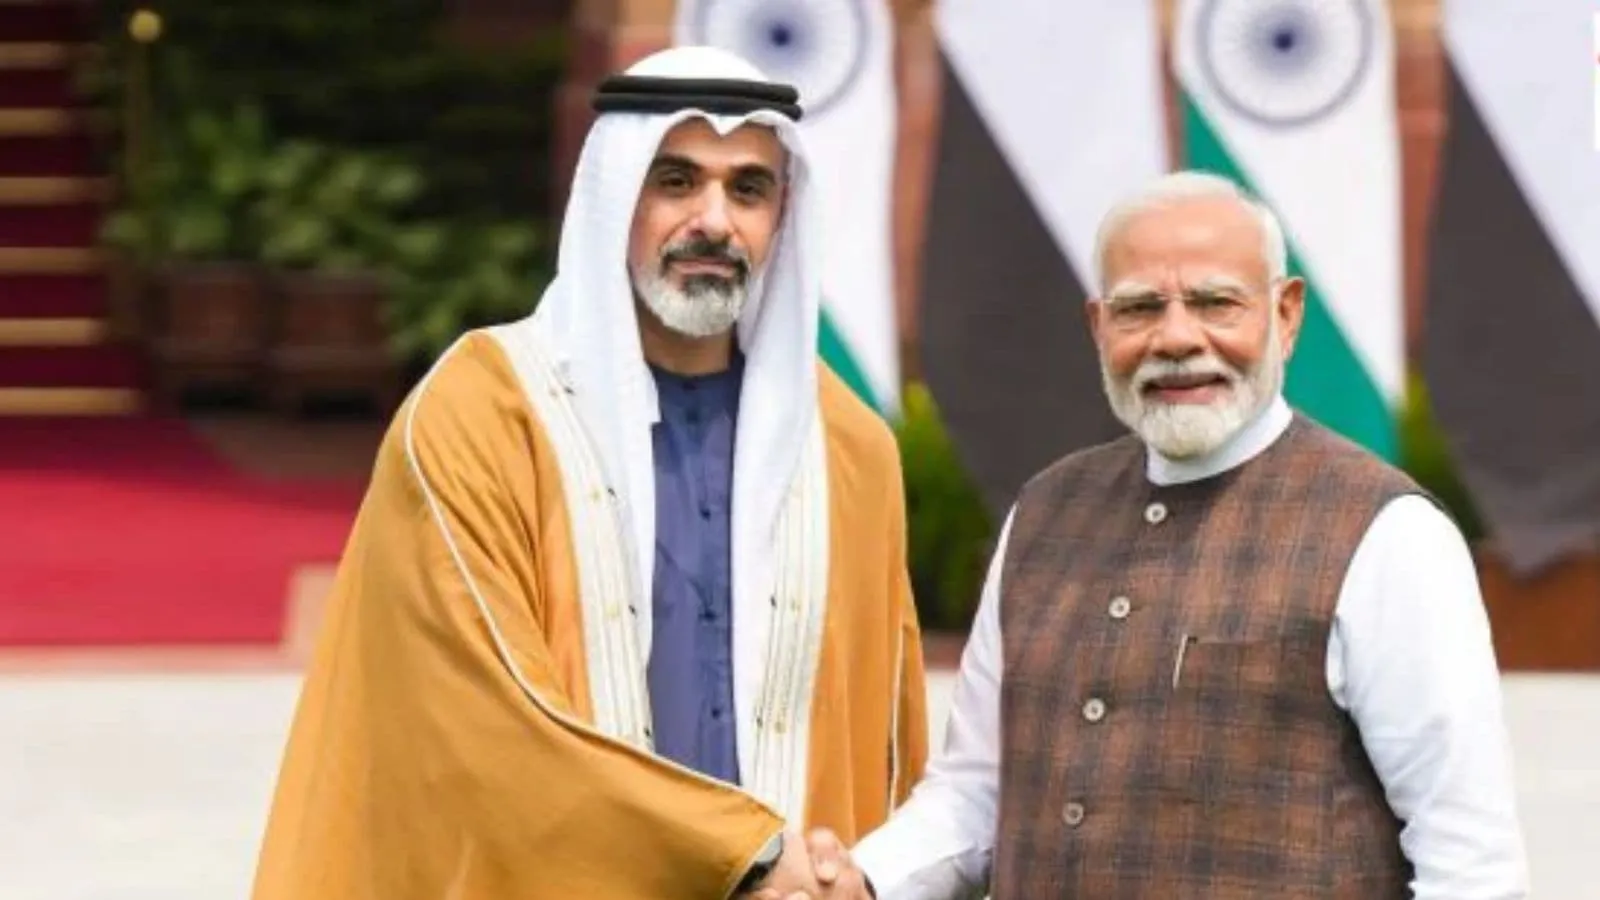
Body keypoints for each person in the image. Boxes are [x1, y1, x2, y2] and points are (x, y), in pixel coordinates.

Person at [251, 45, 928, 900]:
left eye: (748, 190)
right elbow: (484, 718)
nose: (714, 221)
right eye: (676, 181)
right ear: (615, 196)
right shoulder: (482, 416)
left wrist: (857, 876)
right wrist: (739, 852)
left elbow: (888, 740)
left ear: (780, 217)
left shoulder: (848, 448)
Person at [831, 171, 1529, 898]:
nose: (1175, 338)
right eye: (1139, 309)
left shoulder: (1388, 533)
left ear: (1286, 314)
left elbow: (1471, 862)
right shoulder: (1043, 511)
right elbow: (976, 796)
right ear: (1099, 327)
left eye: (1215, 302)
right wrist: (858, 882)